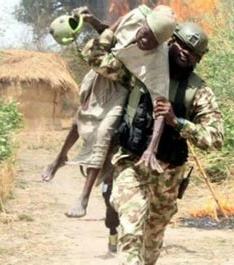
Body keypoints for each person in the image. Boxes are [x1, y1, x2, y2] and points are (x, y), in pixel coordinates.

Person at [41, 5, 177, 251]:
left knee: (104, 133)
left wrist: (152, 148)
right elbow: (112, 36)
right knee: (80, 119)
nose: (142, 39)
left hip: (121, 85)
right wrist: (94, 22)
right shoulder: (136, 17)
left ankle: (84, 196)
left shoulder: (157, 64)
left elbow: (160, 106)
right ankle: (59, 158)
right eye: (143, 32)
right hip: (102, 74)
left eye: (149, 40)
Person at [108, 22, 224, 265]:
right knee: (130, 230)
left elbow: (215, 139)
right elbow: (96, 57)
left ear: (198, 58)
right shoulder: (141, 69)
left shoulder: (199, 91)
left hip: (168, 176)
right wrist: (110, 28)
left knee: (152, 240)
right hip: (133, 163)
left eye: (192, 51)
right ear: (171, 42)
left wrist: (179, 122)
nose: (185, 52)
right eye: (182, 45)